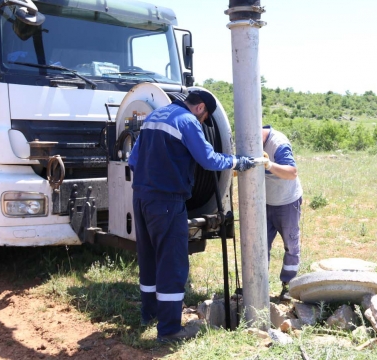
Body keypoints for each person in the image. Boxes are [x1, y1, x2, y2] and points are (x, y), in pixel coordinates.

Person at [127, 90, 256, 343]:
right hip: (166, 202)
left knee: (149, 258)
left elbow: (133, 160)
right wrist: (237, 162)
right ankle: (169, 330)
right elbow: (208, 160)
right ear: (200, 109)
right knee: (172, 263)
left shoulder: (154, 116)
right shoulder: (186, 121)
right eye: (204, 118)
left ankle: (149, 315)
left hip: (141, 198)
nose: (202, 122)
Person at [261, 125, 303, 301]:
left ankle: (288, 285)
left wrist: (269, 164)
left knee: (291, 245)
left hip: (286, 202)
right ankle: (258, 286)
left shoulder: (278, 143)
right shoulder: (250, 141)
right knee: (260, 246)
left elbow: (292, 172)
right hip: (264, 202)